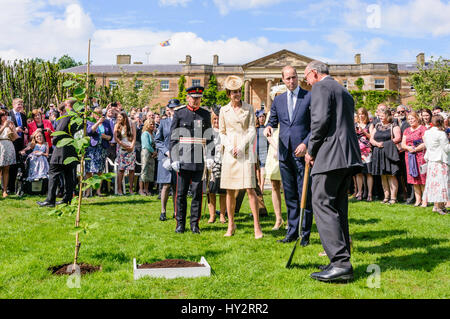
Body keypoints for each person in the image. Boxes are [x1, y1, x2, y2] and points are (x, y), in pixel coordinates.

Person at [304, 60, 363, 283]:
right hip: (347, 156)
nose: (307, 82)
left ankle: (340, 263)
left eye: (307, 77)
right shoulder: (343, 91)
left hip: (329, 156)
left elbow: (319, 121)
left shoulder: (321, 87)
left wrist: (311, 149)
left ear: (315, 73)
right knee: (338, 206)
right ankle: (340, 260)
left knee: (322, 203)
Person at [264, 65, 313, 245]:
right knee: (290, 194)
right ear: (282, 80)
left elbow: (315, 125)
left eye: (294, 77)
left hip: (302, 153)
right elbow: (273, 121)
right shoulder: (279, 100)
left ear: (297, 77)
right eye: (288, 78)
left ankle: (304, 234)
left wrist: (305, 144)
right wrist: (268, 127)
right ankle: (292, 232)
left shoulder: (308, 96)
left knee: (304, 194)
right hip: (284, 153)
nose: (291, 81)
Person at [219, 76, 263, 239]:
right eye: (234, 92)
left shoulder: (249, 108)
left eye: (238, 91)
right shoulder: (224, 110)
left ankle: (257, 226)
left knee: (250, 188)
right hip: (230, 154)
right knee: (230, 190)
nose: (237, 94)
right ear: (228, 94)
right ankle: (231, 224)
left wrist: (242, 146)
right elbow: (222, 132)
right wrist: (231, 148)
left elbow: (252, 129)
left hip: (245, 152)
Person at [170, 86, 213, 235]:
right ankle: (180, 224)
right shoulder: (179, 113)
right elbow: (174, 138)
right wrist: (174, 158)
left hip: (198, 158)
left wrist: (211, 156)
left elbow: (209, 136)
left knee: (197, 194)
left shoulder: (205, 114)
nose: (196, 101)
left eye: (198, 98)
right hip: (182, 158)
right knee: (180, 194)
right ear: (188, 98)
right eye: (193, 98)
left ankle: (195, 224)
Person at [37, 99, 80, 207]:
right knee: (69, 175)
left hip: (62, 149)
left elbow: (60, 130)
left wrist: (54, 140)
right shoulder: (77, 116)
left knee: (53, 173)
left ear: (67, 105)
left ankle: (50, 200)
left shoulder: (67, 116)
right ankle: (67, 199)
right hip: (71, 148)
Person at [265, 84, 286, 230]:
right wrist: (275, 147)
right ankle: (278, 219)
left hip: (287, 146)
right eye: (276, 96)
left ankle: (292, 218)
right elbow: (267, 133)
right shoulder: (271, 113)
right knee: (274, 184)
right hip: (274, 148)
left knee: (288, 185)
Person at [369, 109, 401, 204]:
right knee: (383, 175)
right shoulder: (377, 126)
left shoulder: (393, 126)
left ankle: (393, 198)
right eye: (380, 116)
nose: (381, 117)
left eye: (383, 116)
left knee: (391, 175)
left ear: (388, 116)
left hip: (389, 152)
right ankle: (386, 197)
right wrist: (377, 144)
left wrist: (385, 144)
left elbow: (398, 138)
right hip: (378, 152)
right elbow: (371, 138)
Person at [155, 99, 179, 221]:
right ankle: (163, 211)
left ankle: (176, 211)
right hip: (165, 158)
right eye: (172, 108)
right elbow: (157, 140)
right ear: (168, 109)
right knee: (165, 185)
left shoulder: (181, 122)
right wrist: (166, 151)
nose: (174, 110)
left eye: (176, 108)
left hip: (178, 158)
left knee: (176, 185)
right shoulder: (163, 123)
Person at [423, 115, 450, 215]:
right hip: (440, 161)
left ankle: (440, 206)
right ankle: (438, 207)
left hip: (432, 161)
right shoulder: (441, 134)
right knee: (441, 183)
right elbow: (446, 148)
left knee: (435, 183)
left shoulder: (427, 132)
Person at [85, 107, 113, 197]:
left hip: (102, 149)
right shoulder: (90, 122)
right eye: (96, 114)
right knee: (89, 170)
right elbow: (89, 132)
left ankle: (98, 191)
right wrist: (98, 122)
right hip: (92, 149)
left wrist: (106, 137)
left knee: (100, 171)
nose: (98, 115)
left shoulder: (107, 123)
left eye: (100, 113)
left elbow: (111, 136)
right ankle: (88, 191)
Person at [401, 112, 427, 207]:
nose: (411, 121)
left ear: (417, 118)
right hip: (409, 156)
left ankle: (425, 201)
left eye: (413, 119)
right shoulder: (406, 130)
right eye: (409, 119)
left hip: (420, 155)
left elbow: (425, 142)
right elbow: (403, 144)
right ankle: (418, 200)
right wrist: (408, 148)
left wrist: (415, 149)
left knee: (422, 178)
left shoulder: (422, 129)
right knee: (414, 179)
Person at [206, 106, 227, 224]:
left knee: (222, 191)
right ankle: (212, 215)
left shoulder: (225, 132)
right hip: (211, 164)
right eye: (214, 119)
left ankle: (222, 215)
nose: (216, 122)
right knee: (211, 191)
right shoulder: (208, 132)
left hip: (223, 162)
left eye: (218, 119)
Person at [8, 98, 28, 194]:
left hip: (20, 142)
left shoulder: (23, 116)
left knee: (18, 165)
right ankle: (8, 187)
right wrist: (15, 129)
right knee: (11, 165)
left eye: (21, 104)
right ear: (13, 104)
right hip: (11, 141)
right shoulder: (8, 114)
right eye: (18, 104)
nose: (20, 106)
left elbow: (25, 128)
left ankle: (17, 188)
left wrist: (25, 131)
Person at [114, 111, 136, 196]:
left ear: (124, 117)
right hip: (122, 149)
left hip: (131, 149)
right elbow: (116, 138)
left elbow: (134, 136)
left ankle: (130, 189)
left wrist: (132, 146)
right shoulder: (117, 126)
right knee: (121, 170)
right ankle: (119, 189)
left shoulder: (131, 124)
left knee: (131, 169)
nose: (119, 119)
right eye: (118, 117)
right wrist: (124, 145)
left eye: (120, 117)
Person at [355, 107, 373, 201]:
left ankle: (369, 194)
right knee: (359, 173)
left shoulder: (369, 125)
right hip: (357, 151)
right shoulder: (355, 124)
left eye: (362, 114)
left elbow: (371, 137)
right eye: (359, 114)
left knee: (368, 173)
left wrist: (363, 131)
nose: (361, 116)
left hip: (367, 151)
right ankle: (360, 192)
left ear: (365, 115)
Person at [0, 109, 19, 198]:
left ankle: (5, 190)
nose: (5, 117)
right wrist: (4, 126)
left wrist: (12, 130)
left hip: (8, 146)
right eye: (4, 115)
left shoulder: (11, 125)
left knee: (6, 169)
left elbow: (15, 138)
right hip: (0, 145)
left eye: (6, 115)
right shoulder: (3, 125)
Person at [139, 118, 157, 196]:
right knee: (144, 170)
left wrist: (155, 153)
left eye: (153, 124)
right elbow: (146, 145)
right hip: (146, 153)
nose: (152, 125)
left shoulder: (153, 134)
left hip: (152, 154)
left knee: (150, 171)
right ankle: (141, 190)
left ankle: (146, 189)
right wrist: (154, 152)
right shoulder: (145, 133)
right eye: (151, 124)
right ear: (147, 125)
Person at [255, 109, 268, 193]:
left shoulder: (267, 128)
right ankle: (259, 184)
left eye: (263, 117)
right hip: (256, 150)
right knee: (257, 169)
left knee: (263, 169)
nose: (261, 118)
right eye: (260, 117)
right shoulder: (255, 129)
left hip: (264, 150)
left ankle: (262, 187)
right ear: (258, 118)